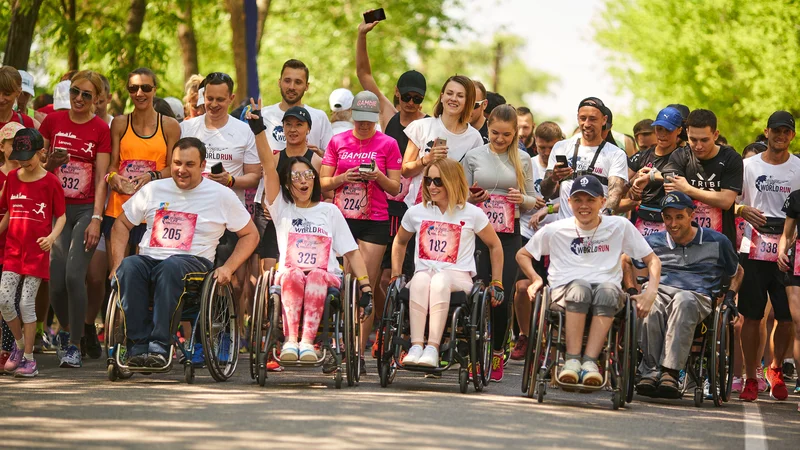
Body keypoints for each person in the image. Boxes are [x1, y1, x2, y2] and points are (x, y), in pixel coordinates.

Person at [109, 137, 258, 368]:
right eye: (177, 163)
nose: (181, 170)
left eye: (189, 164)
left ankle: (159, 347)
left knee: (171, 267)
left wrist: (228, 268)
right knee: (129, 267)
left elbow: (251, 234)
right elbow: (121, 225)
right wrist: (117, 262)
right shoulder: (153, 190)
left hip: (193, 265)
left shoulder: (221, 195)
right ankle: (137, 347)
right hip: (151, 259)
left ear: (202, 166)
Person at [246, 98, 374, 363]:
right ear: (287, 184)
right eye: (295, 177)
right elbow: (269, 168)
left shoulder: (330, 212)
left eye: (307, 176)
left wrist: (366, 287)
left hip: (326, 276)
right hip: (291, 274)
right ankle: (291, 341)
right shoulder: (281, 208)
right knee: (292, 274)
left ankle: (307, 342)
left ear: (315, 179)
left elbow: (352, 252)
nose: (302, 181)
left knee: (315, 275)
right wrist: (258, 130)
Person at [518, 175, 661, 386]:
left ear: (602, 202)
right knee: (580, 287)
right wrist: (535, 278)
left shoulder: (619, 225)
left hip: (607, 291)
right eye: (578, 200)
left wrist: (651, 292)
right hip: (565, 291)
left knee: (608, 291)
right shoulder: (556, 228)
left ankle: (590, 363)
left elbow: (652, 260)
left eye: (590, 200)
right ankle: (572, 361)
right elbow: (523, 254)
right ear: (569, 202)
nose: (584, 206)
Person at [392, 158, 503, 368]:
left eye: (438, 181)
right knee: (421, 279)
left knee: (440, 279)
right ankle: (416, 346)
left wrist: (497, 281)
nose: (432, 186)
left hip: (458, 277)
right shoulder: (416, 212)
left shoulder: (472, 213)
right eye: (428, 181)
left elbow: (495, 246)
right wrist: (395, 274)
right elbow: (399, 241)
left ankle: (433, 347)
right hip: (425, 274)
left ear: (452, 182)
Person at [320, 90, 401, 373]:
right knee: (345, 285)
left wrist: (376, 175)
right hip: (342, 219)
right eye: (360, 120)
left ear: (377, 118)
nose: (364, 126)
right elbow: (322, 183)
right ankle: (341, 345)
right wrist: (345, 177)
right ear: (352, 116)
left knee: (364, 284)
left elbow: (395, 188)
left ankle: (358, 352)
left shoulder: (388, 144)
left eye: (369, 121)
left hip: (375, 220)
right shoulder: (337, 141)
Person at [634, 192, 742, 398]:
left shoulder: (717, 241)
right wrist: (634, 290)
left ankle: (670, 372)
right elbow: (627, 261)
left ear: (691, 215)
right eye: (667, 217)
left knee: (683, 300)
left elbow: (738, 272)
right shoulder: (653, 241)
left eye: (679, 217)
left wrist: (730, 296)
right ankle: (650, 370)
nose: (673, 223)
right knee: (651, 303)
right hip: (662, 291)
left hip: (697, 295)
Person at [39, 70, 111, 368]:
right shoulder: (53, 121)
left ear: (97, 100)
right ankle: (68, 330)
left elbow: (101, 179)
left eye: (86, 95)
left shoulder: (100, 129)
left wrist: (96, 217)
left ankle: (72, 342)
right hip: (55, 209)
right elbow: (39, 164)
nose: (79, 99)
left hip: (84, 210)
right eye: (75, 92)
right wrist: (50, 161)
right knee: (55, 281)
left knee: (73, 275)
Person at [180, 72, 261, 323]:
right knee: (191, 281)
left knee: (235, 283)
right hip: (191, 212)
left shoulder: (243, 131)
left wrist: (230, 180)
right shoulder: (187, 128)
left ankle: (230, 332)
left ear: (231, 98)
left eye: (220, 99)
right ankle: (195, 335)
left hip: (229, 215)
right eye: (209, 98)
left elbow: (254, 176)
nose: (213, 105)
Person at [463, 104, 535, 381]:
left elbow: (532, 200)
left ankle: (496, 351)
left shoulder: (523, 159)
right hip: (477, 233)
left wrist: (521, 200)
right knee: (475, 292)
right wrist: (472, 198)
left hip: (507, 235)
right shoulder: (473, 156)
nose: (500, 139)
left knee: (499, 295)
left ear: (515, 133)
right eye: (494, 133)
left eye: (506, 135)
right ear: (488, 128)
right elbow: (460, 196)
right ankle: (472, 351)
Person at [736, 111, 800, 402]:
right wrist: (741, 210)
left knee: (786, 318)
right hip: (754, 241)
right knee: (751, 314)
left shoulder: (799, 167)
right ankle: (751, 376)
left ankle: (775, 367)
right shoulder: (748, 165)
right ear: (766, 132)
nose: (781, 136)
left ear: (792, 136)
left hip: (790, 244)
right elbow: (733, 201)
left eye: (786, 131)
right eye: (776, 130)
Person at [0, 128, 66, 378]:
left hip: (37, 252)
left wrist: (51, 237)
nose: (23, 160)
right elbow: (9, 212)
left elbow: (61, 216)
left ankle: (28, 359)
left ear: (42, 152)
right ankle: (18, 346)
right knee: (5, 300)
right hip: (13, 250)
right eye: (20, 155)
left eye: (28, 155)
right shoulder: (13, 178)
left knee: (27, 303)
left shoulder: (51, 182)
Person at [510, 121, 563, 360]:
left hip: (557, 235)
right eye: (541, 147)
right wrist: (529, 202)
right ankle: (525, 335)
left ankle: (551, 340)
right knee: (522, 287)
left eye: (551, 147)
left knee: (554, 292)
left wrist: (548, 207)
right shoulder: (527, 164)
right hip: (527, 231)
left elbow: (573, 202)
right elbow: (514, 197)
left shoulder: (566, 170)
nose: (546, 153)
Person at [660, 109, 743, 245]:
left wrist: (688, 189)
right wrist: (714, 197)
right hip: (685, 242)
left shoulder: (731, 158)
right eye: (693, 139)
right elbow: (673, 196)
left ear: (716, 135)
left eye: (704, 140)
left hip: (720, 243)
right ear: (687, 133)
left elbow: (726, 201)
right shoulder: (679, 156)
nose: (698, 146)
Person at [401, 75, 483, 209]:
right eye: (450, 93)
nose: (453, 99)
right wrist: (427, 159)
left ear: (468, 101)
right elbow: (405, 171)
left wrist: (472, 197)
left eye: (460, 96)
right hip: (418, 209)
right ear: (442, 96)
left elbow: (471, 182)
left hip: (453, 211)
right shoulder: (421, 127)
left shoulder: (475, 138)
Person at [540, 97, 628, 219]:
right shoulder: (561, 147)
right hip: (566, 229)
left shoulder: (616, 153)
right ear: (577, 118)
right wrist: (554, 178)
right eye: (582, 118)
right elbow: (546, 192)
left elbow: (615, 194)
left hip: (597, 228)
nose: (587, 124)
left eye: (593, 119)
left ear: (604, 120)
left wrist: (601, 221)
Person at [625, 107, 684, 235]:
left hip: (672, 223)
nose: (662, 134)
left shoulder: (685, 156)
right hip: (643, 221)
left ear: (679, 130)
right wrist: (633, 184)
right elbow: (621, 187)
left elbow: (684, 181)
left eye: (668, 130)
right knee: (634, 255)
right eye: (659, 129)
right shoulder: (641, 156)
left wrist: (651, 176)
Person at [0, 122, 25, 370]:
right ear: (2, 146)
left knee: (11, 300)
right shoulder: (5, 176)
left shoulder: (25, 175)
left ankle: (9, 348)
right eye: (12, 144)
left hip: (15, 249)